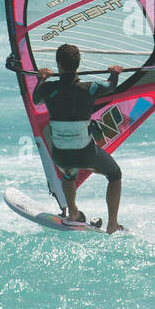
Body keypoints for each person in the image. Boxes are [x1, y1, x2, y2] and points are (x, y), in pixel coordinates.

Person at [32, 43, 125, 233]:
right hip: (86, 154)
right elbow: (111, 86)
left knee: (68, 171)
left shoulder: (49, 89)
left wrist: (41, 78)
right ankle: (112, 224)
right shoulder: (90, 88)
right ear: (78, 63)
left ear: (58, 64)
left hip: (60, 156)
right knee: (114, 174)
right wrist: (114, 72)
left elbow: (36, 99)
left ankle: (73, 212)